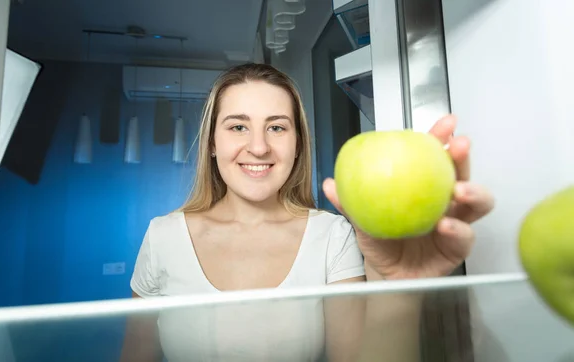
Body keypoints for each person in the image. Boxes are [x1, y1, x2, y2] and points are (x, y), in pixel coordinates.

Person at [119, 63, 495, 362]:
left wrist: (401, 293)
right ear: (212, 144)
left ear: (297, 144)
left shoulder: (333, 236)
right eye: (238, 126)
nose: (260, 147)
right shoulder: (163, 235)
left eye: (277, 127)